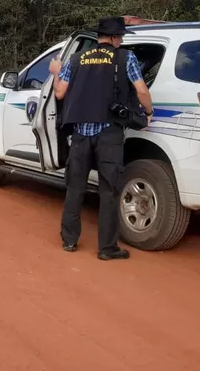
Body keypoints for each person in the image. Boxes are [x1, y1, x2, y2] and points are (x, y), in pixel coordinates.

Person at [47, 16, 154, 261]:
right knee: (109, 191)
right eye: (122, 36)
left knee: (74, 189)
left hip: (80, 136)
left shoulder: (75, 59)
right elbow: (141, 90)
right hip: (109, 135)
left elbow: (60, 93)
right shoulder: (125, 58)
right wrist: (147, 112)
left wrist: (55, 73)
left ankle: (69, 241)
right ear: (115, 38)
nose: (122, 40)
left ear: (99, 36)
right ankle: (107, 248)